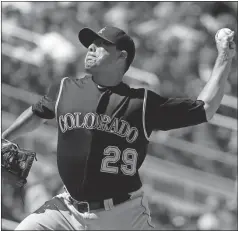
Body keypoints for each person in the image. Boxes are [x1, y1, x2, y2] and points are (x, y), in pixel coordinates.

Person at [2, 26, 236, 230]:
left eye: (101, 45)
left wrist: (225, 57)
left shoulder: (142, 103)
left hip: (121, 215)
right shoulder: (66, 87)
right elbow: (37, 113)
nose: (91, 48)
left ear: (120, 57)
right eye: (90, 44)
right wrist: (5, 136)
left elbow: (205, 108)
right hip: (66, 207)